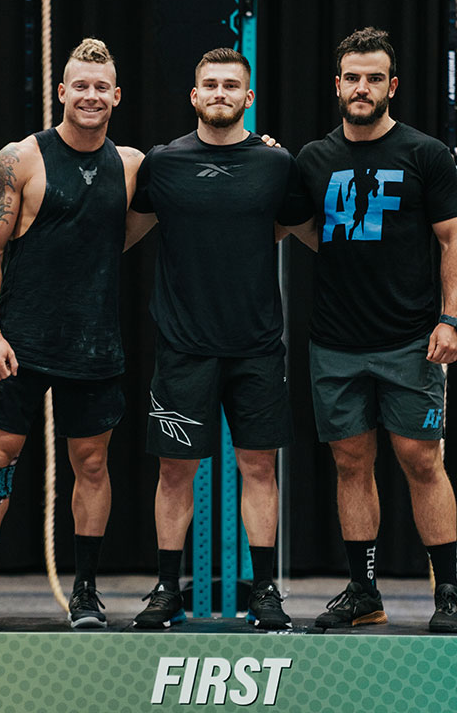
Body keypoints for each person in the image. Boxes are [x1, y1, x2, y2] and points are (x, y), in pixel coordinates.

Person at [0, 38, 143, 632]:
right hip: (19, 343)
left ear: (116, 95)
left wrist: (262, 149)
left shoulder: (135, 166)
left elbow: (203, 179)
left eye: (100, 87)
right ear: (61, 91)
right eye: (79, 86)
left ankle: (85, 594)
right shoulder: (21, 159)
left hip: (94, 346)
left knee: (92, 466)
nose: (90, 96)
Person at [124, 47, 311, 630]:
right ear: (194, 95)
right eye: (211, 84)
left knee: (259, 469)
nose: (221, 93)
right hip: (183, 348)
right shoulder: (163, 163)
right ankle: (164, 590)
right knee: (176, 473)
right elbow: (119, 236)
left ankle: (266, 592)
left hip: (256, 347)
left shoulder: (277, 166)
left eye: (232, 85)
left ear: (248, 97)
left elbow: (301, 232)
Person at [294, 27, 457, 632]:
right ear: (337, 85)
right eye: (352, 77)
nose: (362, 87)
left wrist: (451, 319)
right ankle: (363, 592)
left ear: (391, 86)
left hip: (409, 340)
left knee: (422, 461)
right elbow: (292, 222)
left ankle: (447, 592)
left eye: (374, 77)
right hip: (335, 342)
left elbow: (456, 238)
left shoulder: (425, 154)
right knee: (351, 464)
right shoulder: (313, 158)